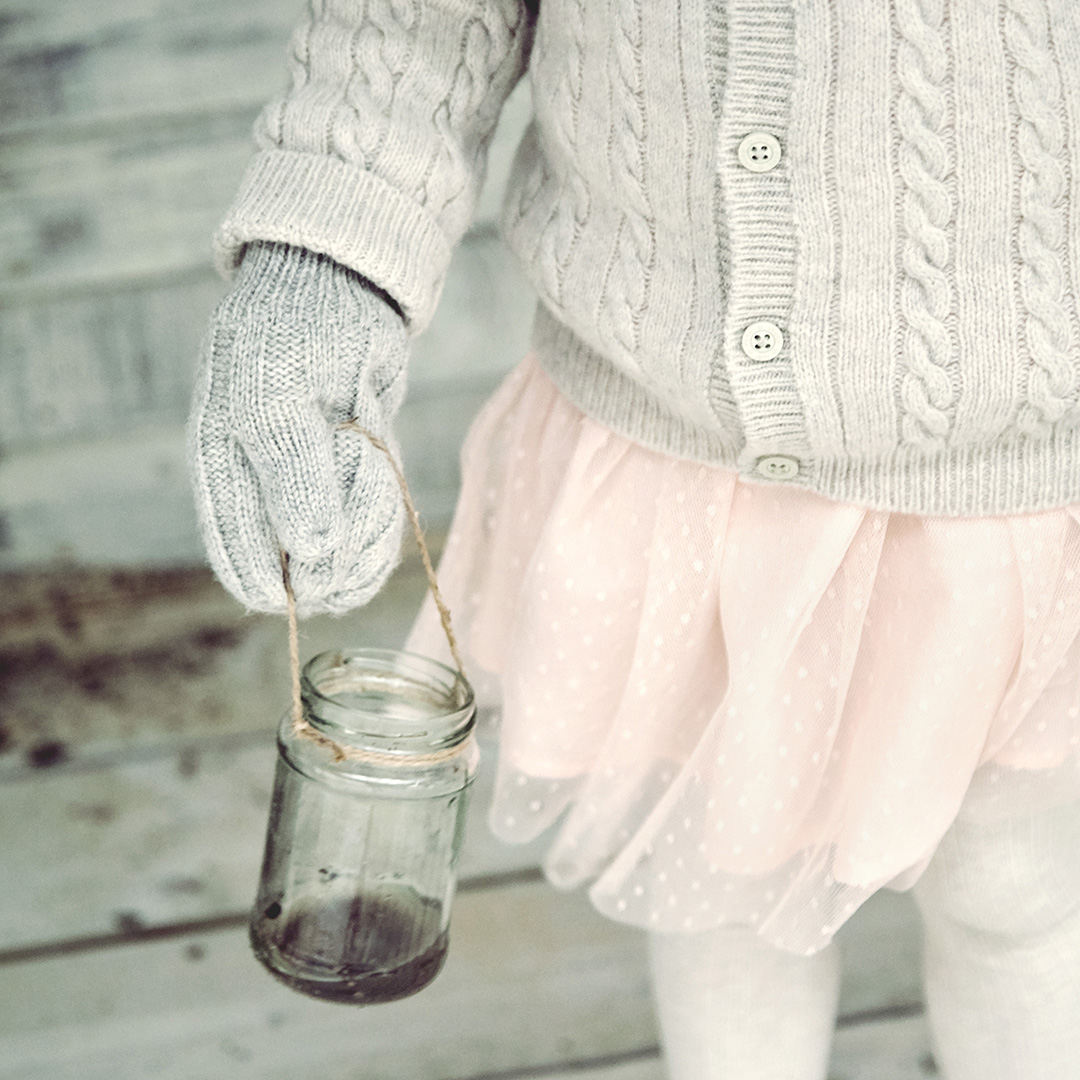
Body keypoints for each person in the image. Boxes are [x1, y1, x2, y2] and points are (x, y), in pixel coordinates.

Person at [188, 3, 1080, 1077]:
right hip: (663, 446)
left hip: (1026, 471)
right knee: (713, 870)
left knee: (1015, 888)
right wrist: (319, 263)